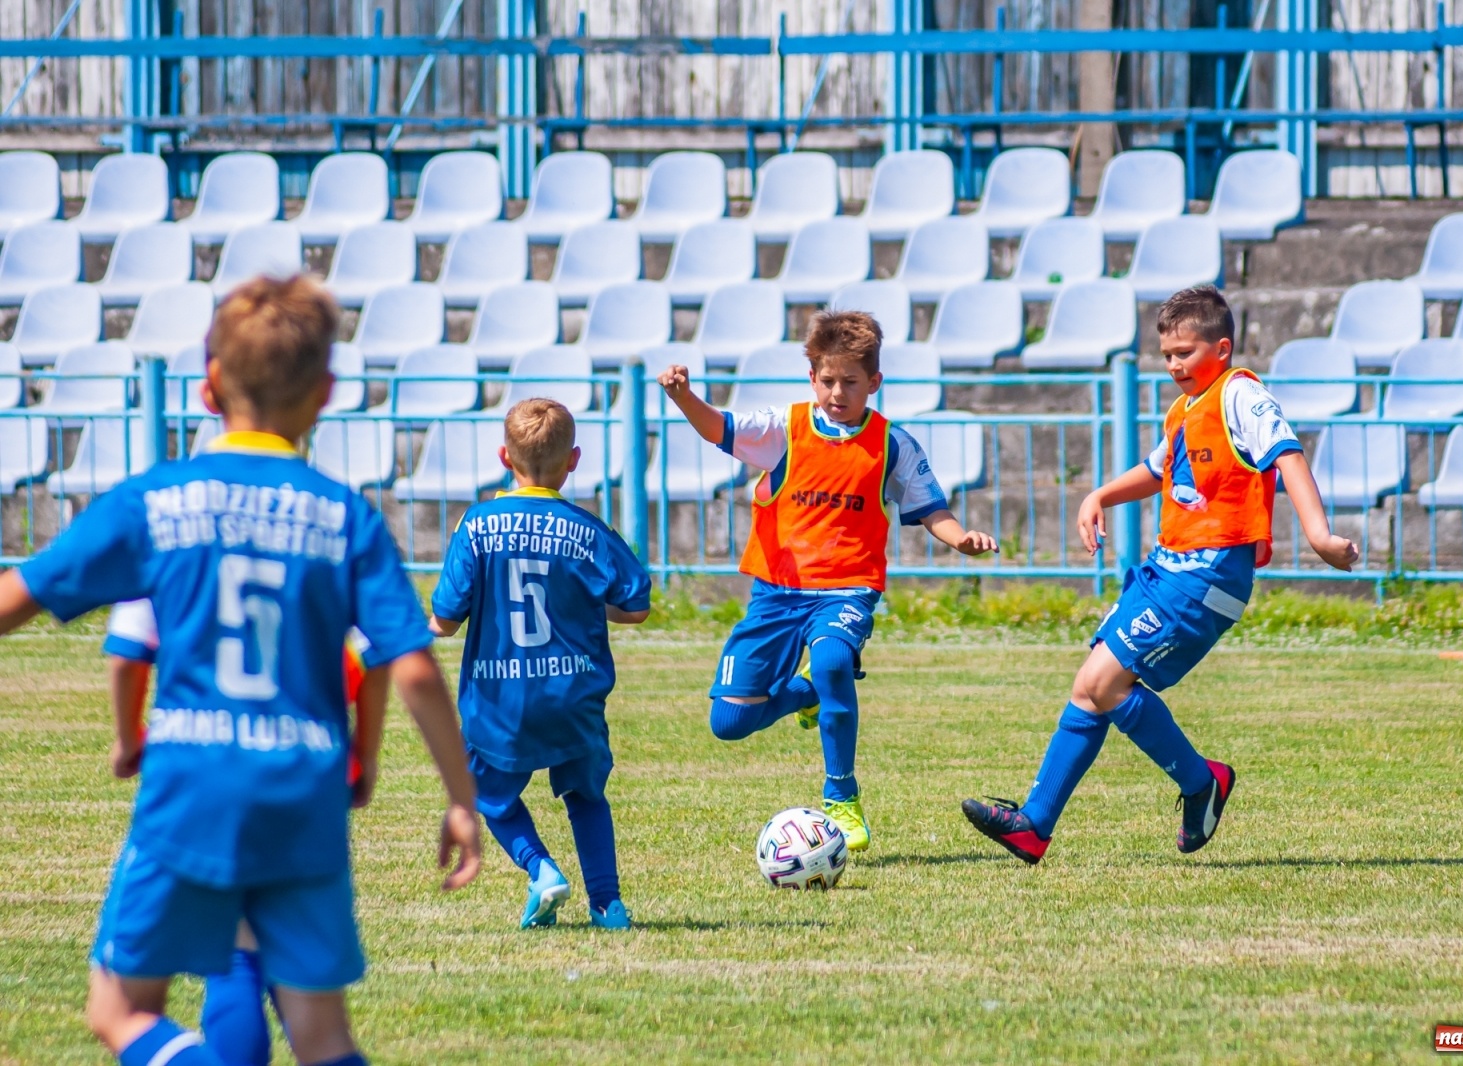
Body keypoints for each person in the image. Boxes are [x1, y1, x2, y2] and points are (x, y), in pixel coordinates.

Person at [0, 274, 481, 1066]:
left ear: (208, 384)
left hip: (191, 786)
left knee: (119, 1008)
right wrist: (461, 801)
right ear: (326, 394)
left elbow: (21, 595)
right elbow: (416, 669)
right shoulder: (345, 517)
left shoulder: (158, 500)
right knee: (324, 1035)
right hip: (305, 792)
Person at [962, 285, 1359, 865]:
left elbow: (1288, 454)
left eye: (1186, 353)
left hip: (1208, 575)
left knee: (1103, 684)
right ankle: (1036, 825)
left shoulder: (1240, 394)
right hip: (1165, 571)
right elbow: (1157, 470)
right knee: (1090, 687)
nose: (1174, 365)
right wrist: (1100, 493)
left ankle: (1197, 784)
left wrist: (1319, 536)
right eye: (1167, 355)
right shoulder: (1185, 409)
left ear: (1221, 349)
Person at [657, 310, 998, 851]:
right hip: (776, 592)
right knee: (728, 723)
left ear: (875, 383)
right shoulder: (784, 428)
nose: (838, 392)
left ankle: (842, 795)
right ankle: (807, 693)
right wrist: (683, 398)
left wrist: (959, 538)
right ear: (812, 377)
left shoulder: (893, 445)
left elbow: (930, 508)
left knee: (836, 659)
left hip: (848, 587)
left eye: (851, 382)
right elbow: (719, 427)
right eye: (828, 380)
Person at [102, 600, 385, 1066]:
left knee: (233, 954)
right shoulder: (326, 534)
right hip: (305, 768)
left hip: (211, 763)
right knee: (308, 1004)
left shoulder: (176, 531)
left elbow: (129, 646)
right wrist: (366, 753)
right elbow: (373, 649)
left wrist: (128, 739)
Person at [430, 398, 652, 930]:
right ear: (573, 461)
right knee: (585, 795)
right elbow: (636, 606)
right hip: (572, 696)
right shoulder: (588, 528)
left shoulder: (478, 523)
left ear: (504, 456)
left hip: (500, 699)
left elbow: (445, 619)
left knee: (484, 790)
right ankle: (608, 905)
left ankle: (542, 870)